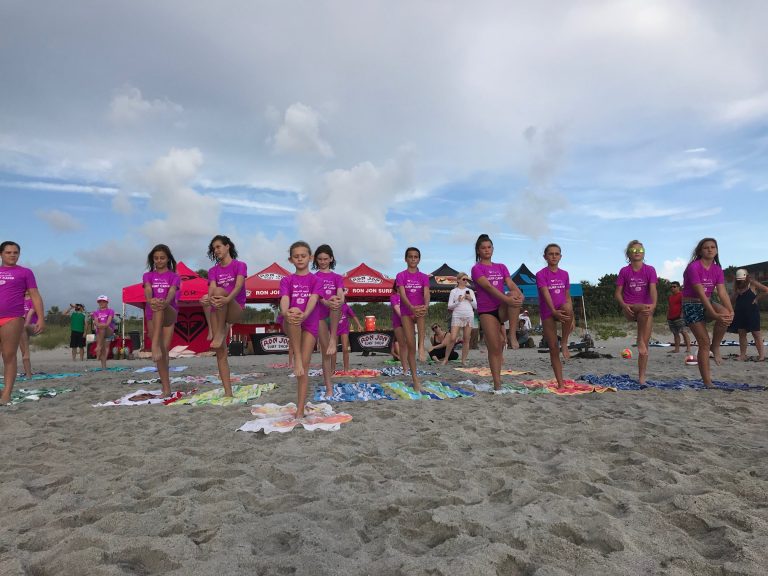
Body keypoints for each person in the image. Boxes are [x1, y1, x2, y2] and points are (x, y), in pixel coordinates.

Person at [471, 234, 524, 390]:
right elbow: (488, 287)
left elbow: (510, 283)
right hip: (487, 311)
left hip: (501, 308)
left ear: (493, 249)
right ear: (478, 251)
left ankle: (512, 334)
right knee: (495, 347)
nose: (487, 250)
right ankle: (497, 383)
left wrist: (518, 293)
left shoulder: (501, 266)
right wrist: (507, 299)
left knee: (514, 294)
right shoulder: (477, 268)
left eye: (489, 247)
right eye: (483, 248)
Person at [682, 238, 734, 388]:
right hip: (692, 304)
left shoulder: (717, 269)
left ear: (716, 250)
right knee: (704, 342)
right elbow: (700, 293)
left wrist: (731, 311)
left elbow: (722, 292)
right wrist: (714, 314)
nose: (710, 250)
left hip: (707, 302)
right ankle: (707, 382)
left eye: (713, 247)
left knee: (725, 313)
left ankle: (716, 346)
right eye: (706, 247)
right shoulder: (694, 267)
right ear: (700, 251)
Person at [280, 241, 322, 418]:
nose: (300, 259)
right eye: (296, 256)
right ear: (291, 259)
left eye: (303, 255)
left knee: (303, 367)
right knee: (293, 311)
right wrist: (285, 313)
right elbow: (284, 299)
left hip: (309, 322)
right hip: (291, 320)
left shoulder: (315, 280)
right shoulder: (286, 280)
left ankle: (300, 408)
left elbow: (313, 300)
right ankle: (296, 356)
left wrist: (304, 315)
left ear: (310, 257)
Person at [0, 241, 44, 404]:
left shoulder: (25, 272)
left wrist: (40, 317)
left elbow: (35, 296)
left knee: (8, 355)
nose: (12, 255)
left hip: (12, 317)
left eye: (15, 252)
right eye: (8, 252)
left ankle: (6, 394)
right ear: (1, 254)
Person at [614, 240, 658, 384]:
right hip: (630, 308)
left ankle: (641, 378)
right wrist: (623, 305)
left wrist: (654, 305)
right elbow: (618, 293)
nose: (637, 252)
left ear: (644, 252)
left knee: (644, 348)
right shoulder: (624, 271)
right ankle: (639, 339)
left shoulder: (650, 269)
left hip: (645, 311)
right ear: (628, 254)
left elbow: (653, 289)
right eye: (633, 250)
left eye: (640, 250)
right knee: (644, 309)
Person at [143, 244, 181, 397]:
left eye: (162, 258)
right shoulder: (148, 275)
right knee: (162, 354)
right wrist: (150, 300)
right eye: (156, 258)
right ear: (153, 259)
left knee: (162, 348)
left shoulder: (174, 276)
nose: (159, 260)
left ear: (168, 259)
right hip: (152, 312)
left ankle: (154, 346)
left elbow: (172, 290)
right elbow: (147, 289)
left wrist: (164, 302)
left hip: (168, 311)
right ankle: (166, 389)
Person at [536, 243, 574, 389]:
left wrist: (572, 317)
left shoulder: (564, 274)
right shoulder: (541, 274)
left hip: (562, 310)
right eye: (551, 254)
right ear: (545, 256)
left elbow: (567, 297)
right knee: (553, 348)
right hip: (548, 312)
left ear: (560, 256)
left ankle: (564, 342)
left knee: (567, 306)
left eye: (556, 254)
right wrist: (553, 311)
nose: (554, 256)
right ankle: (560, 383)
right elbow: (545, 294)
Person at [312, 244, 345, 396]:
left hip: (334, 310)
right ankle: (329, 387)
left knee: (336, 301)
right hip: (319, 314)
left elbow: (340, 293)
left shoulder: (337, 277)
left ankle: (333, 339)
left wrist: (337, 300)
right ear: (316, 260)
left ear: (331, 259)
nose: (323, 261)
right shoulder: (314, 277)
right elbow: (316, 296)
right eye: (320, 259)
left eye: (326, 259)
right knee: (326, 354)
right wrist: (326, 301)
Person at [396, 247, 430, 391]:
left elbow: (427, 293)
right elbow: (402, 295)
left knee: (422, 313)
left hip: (420, 310)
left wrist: (426, 306)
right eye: (410, 257)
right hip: (406, 311)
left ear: (419, 259)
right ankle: (415, 379)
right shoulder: (401, 275)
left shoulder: (423, 276)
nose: (413, 259)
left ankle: (421, 346)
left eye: (416, 257)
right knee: (410, 345)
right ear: (406, 259)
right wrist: (411, 308)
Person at [728, 268, 767, 361]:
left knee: (756, 333)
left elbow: (766, 290)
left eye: (742, 279)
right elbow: (731, 301)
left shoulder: (752, 283)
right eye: (739, 279)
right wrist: (735, 294)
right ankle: (743, 355)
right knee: (741, 333)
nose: (740, 281)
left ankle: (761, 356)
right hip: (740, 311)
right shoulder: (736, 286)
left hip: (752, 311)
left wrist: (757, 299)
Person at [445, 272, 477, 365]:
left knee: (466, 338)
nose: (465, 281)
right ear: (458, 280)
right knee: (453, 338)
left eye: (466, 279)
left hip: (469, 315)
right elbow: (450, 306)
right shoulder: (453, 291)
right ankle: (446, 359)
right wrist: (458, 302)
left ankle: (463, 360)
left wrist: (470, 299)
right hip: (457, 315)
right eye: (463, 279)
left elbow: (476, 306)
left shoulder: (470, 291)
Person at [335, 302, 363, 371]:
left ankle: (346, 369)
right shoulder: (333, 304)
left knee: (345, 349)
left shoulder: (345, 306)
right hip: (334, 329)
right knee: (333, 350)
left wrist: (359, 325)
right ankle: (333, 369)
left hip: (344, 329)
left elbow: (353, 316)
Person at [91, 295, 116, 370]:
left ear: (107, 302)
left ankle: (98, 346)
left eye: (103, 301)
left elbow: (108, 322)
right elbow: (96, 322)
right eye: (100, 301)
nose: (101, 303)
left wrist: (102, 325)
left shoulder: (110, 311)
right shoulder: (95, 312)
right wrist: (100, 325)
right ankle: (103, 367)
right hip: (100, 331)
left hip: (108, 330)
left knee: (105, 347)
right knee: (102, 350)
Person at [666, 282, 691, 354]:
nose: (672, 288)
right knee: (675, 333)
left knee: (684, 332)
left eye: (674, 286)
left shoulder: (681, 295)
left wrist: (682, 314)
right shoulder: (670, 297)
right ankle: (676, 349)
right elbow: (669, 306)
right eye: (671, 287)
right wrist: (667, 315)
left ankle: (688, 348)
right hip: (671, 317)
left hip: (679, 317)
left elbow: (684, 304)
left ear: (678, 287)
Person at [389, 282, 408, 373]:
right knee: (402, 344)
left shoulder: (407, 296)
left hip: (408, 322)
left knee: (410, 344)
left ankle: (409, 366)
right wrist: (405, 319)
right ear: (396, 287)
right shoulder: (394, 297)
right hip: (398, 322)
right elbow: (397, 309)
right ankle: (405, 368)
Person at [18, 291, 38, 377]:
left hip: (33, 325)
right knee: (22, 349)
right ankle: (28, 373)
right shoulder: (20, 300)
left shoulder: (33, 300)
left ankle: (28, 373)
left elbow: (29, 315)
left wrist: (23, 325)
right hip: (22, 327)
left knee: (22, 328)